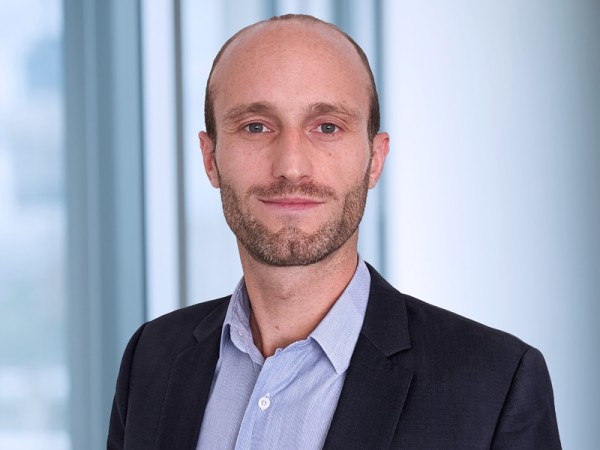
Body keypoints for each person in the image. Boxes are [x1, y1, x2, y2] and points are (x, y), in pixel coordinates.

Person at [108, 14, 561, 449]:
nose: (291, 166)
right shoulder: (150, 360)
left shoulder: (495, 386)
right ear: (210, 159)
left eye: (327, 127)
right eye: (256, 127)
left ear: (374, 160)